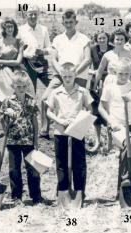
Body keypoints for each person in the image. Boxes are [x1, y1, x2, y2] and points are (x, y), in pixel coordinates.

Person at [46, 62, 93, 201]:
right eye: (64, 76)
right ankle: (63, 190)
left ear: (75, 75)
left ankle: (79, 192)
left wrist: (79, 121)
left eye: (70, 76)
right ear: (61, 76)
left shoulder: (82, 92)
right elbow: (49, 111)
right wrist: (59, 121)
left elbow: (90, 110)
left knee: (79, 164)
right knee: (61, 164)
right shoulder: (56, 92)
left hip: (77, 132)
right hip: (60, 132)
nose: (67, 79)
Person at [45, 10, 92, 139]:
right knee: (45, 99)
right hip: (61, 75)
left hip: (78, 75)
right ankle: (45, 130)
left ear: (75, 22)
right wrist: (61, 71)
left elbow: (88, 59)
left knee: (78, 105)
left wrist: (74, 73)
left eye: (71, 22)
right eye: (66, 22)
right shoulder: (57, 39)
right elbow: (53, 59)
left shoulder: (84, 39)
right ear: (63, 23)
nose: (69, 25)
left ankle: (79, 133)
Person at [97, 61, 131, 199]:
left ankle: (124, 190)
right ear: (115, 73)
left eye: (127, 73)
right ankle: (125, 178)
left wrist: (130, 96)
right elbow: (101, 108)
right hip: (116, 126)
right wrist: (111, 122)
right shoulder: (109, 87)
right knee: (129, 144)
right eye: (120, 73)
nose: (123, 76)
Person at [0, 74, 41, 205]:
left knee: (32, 169)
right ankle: (16, 196)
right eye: (18, 86)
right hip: (13, 141)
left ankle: (36, 196)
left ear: (27, 86)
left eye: (24, 86)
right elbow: (1, 118)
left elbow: (35, 121)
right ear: (13, 87)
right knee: (14, 169)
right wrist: (6, 117)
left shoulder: (31, 101)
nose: (21, 89)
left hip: (28, 140)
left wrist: (36, 140)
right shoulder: (7, 101)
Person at [0, 18, 28, 106]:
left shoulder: (19, 42)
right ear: (3, 28)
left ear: (14, 27)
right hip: (2, 75)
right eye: (7, 27)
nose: (9, 29)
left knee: (19, 99)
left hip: (16, 73)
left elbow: (18, 62)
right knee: (3, 100)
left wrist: (0, 61)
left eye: (11, 26)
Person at [18, 5, 52, 89]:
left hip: (42, 62)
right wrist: (26, 54)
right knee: (30, 91)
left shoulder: (44, 29)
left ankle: (48, 101)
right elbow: (17, 50)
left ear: (38, 15)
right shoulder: (20, 30)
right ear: (26, 15)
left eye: (35, 14)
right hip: (26, 64)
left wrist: (43, 51)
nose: (33, 17)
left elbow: (49, 48)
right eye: (30, 14)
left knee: (53, 87)